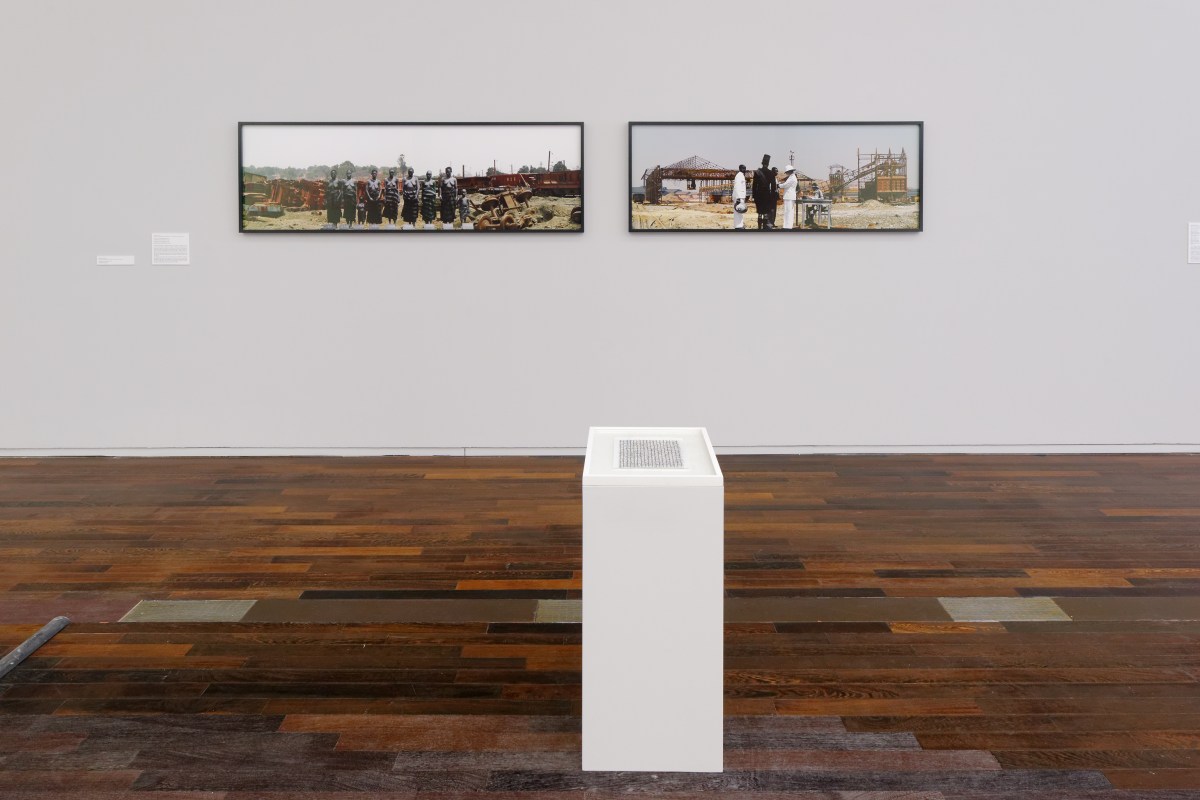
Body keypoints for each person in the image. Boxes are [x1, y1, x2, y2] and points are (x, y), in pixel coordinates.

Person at [752, 154, 776, 230]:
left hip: (758, 196)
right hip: (767, 196)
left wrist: (754, 196)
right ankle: (765, 228)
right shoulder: (771, 173)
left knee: (759, 213)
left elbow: (754, 186)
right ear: (768, 164)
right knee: (765, 214)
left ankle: (759, 228)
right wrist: (772, 198)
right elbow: (773, 187)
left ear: (762, 163)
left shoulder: (757, 172)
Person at [778, 164, 798, 230]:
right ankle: (787, 226)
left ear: (789, 171)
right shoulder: (792, 177)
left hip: (789, 196)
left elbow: (785, 185)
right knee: (789, 212)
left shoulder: (792, 178)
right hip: (790, 196)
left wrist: (779, 185)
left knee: (788, 212)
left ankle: (787, 226)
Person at [732, 164, 747, 230]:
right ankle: (738, 226)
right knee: (738, 211)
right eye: (743, 168)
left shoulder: (741, 175)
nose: (745, 170)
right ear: (740, 169)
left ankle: (740, 225)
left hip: (741, 196)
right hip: (739, 197)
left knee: (740, 211)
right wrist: (738, 198)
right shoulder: (739, 175)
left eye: (745, 168)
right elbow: (737, 186)